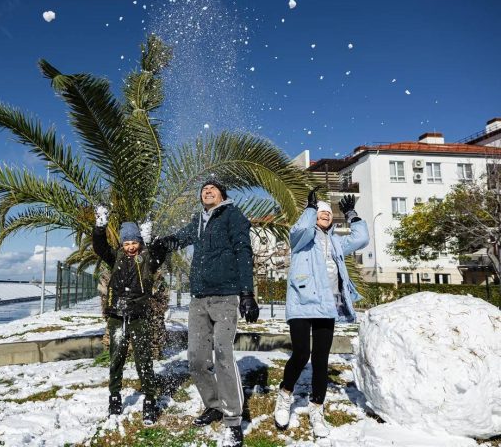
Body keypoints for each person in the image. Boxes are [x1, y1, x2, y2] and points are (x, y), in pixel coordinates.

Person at [152, 179, 259, 447]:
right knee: (197, 359)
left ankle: (233, 419)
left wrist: (247, 293)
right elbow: (181, 238)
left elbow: (243, 251)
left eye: (212, 189)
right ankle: (213, 405)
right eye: (204, 190)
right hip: (198, 299)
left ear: (222, 194)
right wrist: (163, 243)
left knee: (223, 354)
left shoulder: (232, 215)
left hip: (225, 297)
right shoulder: (199, 221)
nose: (207, 191)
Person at [273, 188, 369, 438]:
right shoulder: (302, 239)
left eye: (328, 213)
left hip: (327, 305)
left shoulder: (336, 241)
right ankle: (285, 394)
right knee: (301, 353)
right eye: (320, 212)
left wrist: (351, 214)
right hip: (302, 302)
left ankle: (316, 408)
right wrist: (309, 209)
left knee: (320, 359)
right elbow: (300, 230)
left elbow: (361, 238)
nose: (325, 215)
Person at [92, 206, 169, 426]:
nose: (130, 247)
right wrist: (100, 227)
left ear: (140, 243)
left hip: (139, 317)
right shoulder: (115, 258)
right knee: (116, 358)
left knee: (143, 360)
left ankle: (149, 401)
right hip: (117, 316)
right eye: (126, 243)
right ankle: (114, 398)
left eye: (134, 242)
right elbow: (99, 247)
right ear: (122, 245)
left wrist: (150, 236)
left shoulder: (147, 259)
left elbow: (160, 252)